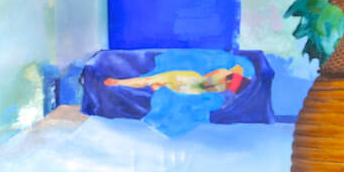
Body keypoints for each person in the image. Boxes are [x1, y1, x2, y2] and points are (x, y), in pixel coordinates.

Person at [104, 63, 248, 95]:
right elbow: (205, 83)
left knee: (151, 81)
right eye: (231, 84)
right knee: (150, 81)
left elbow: (205, 83)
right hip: (189, 82)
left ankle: (119, 82)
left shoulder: (223, 81)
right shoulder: (223, 76)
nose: (229, 87)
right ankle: (118, 82)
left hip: (190, 84)